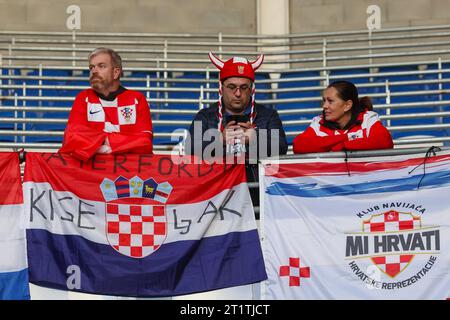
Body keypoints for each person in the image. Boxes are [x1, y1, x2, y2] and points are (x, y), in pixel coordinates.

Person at [186, 52, 288, 206]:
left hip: (258, 196)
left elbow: (282, 148)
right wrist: (220, 139)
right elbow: (190, 149)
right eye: (232, 87)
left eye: (244, 88)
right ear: (222, 88)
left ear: (251, 89)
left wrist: (254, 138)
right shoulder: (205, 116)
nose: (238, 93)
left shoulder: (267, 115)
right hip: (215, 196)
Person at [59, 47, 153, 161]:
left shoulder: (137, 99)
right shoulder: (83, 98)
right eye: (91, 67)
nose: (94, 71)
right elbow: (71, 139)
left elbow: (144, 142)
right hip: (91, 173)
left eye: (101, 66)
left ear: (116, 73)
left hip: (128, 172)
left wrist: (101, 143)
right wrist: (117, 143)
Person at [293, 80, 393, 153]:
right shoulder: (319, 122)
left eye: (330, 101)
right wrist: (347, 138)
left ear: (347, 105)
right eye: (324, 101)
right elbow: (299, 145)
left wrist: (341, 147)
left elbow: (384, 142)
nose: (324, 106)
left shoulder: (368, 118)